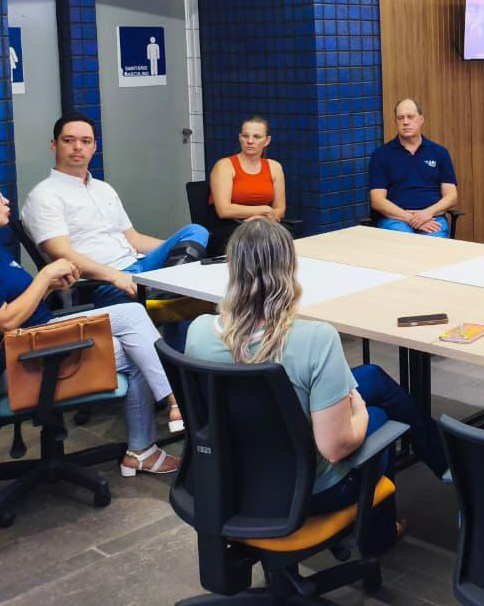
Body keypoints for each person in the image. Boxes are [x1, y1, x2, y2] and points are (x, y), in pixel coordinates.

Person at [185, 219, 448, 533]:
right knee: (379, 417)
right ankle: (380, 533)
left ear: (230, 267)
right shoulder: (314, 339)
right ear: (290, 269)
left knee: (373, 377)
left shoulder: (198, 332)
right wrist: (359, 412)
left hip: (233, 478)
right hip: (309, 490)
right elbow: (335, 448)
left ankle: (446, 463)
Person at [0, 172, 183, 476]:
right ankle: (155, 431)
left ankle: (164, 415)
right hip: (20, 360)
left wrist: (52, 285)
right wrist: (44, 277)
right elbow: (5, 321)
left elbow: (22, 300)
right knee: (136, 344)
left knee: (132, 320)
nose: (6, 201)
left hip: (41, 335)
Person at [22, 113, 209, 307]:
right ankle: (167, 292)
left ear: (94, 147)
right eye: (69, 140)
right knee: (186, 297)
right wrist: (115, 276)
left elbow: (134, 239)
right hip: (101, 282)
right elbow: (62, 254)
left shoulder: (103, 188)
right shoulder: (44, 195)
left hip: (140, 265)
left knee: (196, 231)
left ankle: (163, 292)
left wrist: (178, 248)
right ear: (54, 145)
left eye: (86, 141)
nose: (78, 147)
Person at [368, 98, 459, 238]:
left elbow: (451, 197)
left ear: (421, 119)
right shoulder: (381, 155)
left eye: (410, 117)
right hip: (395, 219)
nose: (405, 122)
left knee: (434, 247)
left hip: (432, 218)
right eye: (400, 118)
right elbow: (377, 201)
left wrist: (427, 214)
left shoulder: (439, 153)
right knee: (406, 243)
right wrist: (411, 219)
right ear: (396, 122)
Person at [207, 115, 287, 252]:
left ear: (267, 140)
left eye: (257, 137)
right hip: (230, 227)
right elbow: (224, 210)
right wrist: (262, 210)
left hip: (264, 225)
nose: (250, 141)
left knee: (280, 241)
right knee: (258, 242)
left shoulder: (275, 167)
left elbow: (280, 209)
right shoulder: (224, 166)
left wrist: (259, 219)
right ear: (240, 138)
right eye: (245, 136)